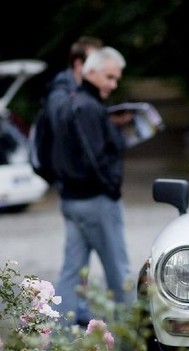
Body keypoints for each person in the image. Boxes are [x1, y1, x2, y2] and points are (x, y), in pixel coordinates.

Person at [50, 46, 135, 326]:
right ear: (92, 72)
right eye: (110, 77)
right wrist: (111, 187)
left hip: (72, 200)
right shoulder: (86, 107)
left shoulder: (69, 102)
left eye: (116, 78)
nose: (114, 84)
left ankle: (61, 337)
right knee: (118, 272)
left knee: (72, 272)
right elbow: (94, 157)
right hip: (95, 200)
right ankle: (131, 341)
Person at [31, 36, 103, 183]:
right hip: (70, 177)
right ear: (78, 64)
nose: (99, 68)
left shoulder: (84, 91)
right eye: (95, 63)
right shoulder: (60, 92)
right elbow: (62, 123)